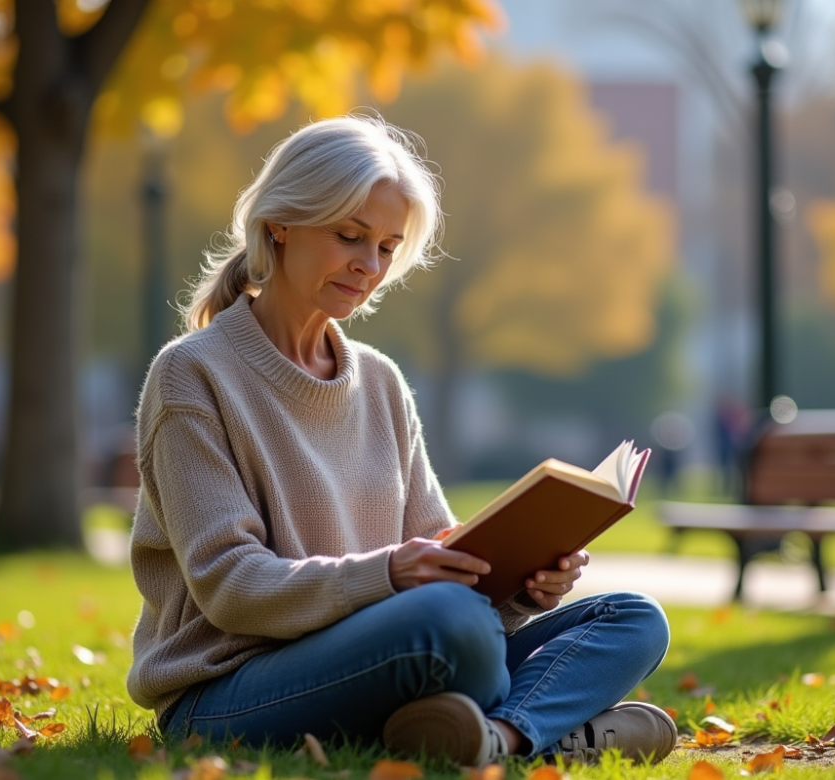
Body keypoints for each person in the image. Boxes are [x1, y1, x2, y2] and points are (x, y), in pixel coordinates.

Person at [126, 115, 676, 766]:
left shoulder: (381, 382)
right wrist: (388, 573)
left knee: (631, 618)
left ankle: (497, 738)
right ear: (280, 224)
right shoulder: (193, 374)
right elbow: (231, 587)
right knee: (451, 625)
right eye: (349, 236)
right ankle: (551, 731)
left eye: (387, 247)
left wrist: (524, 589)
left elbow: (447, 562)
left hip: (394, 652)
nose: (370, 265)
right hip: (228, 691)